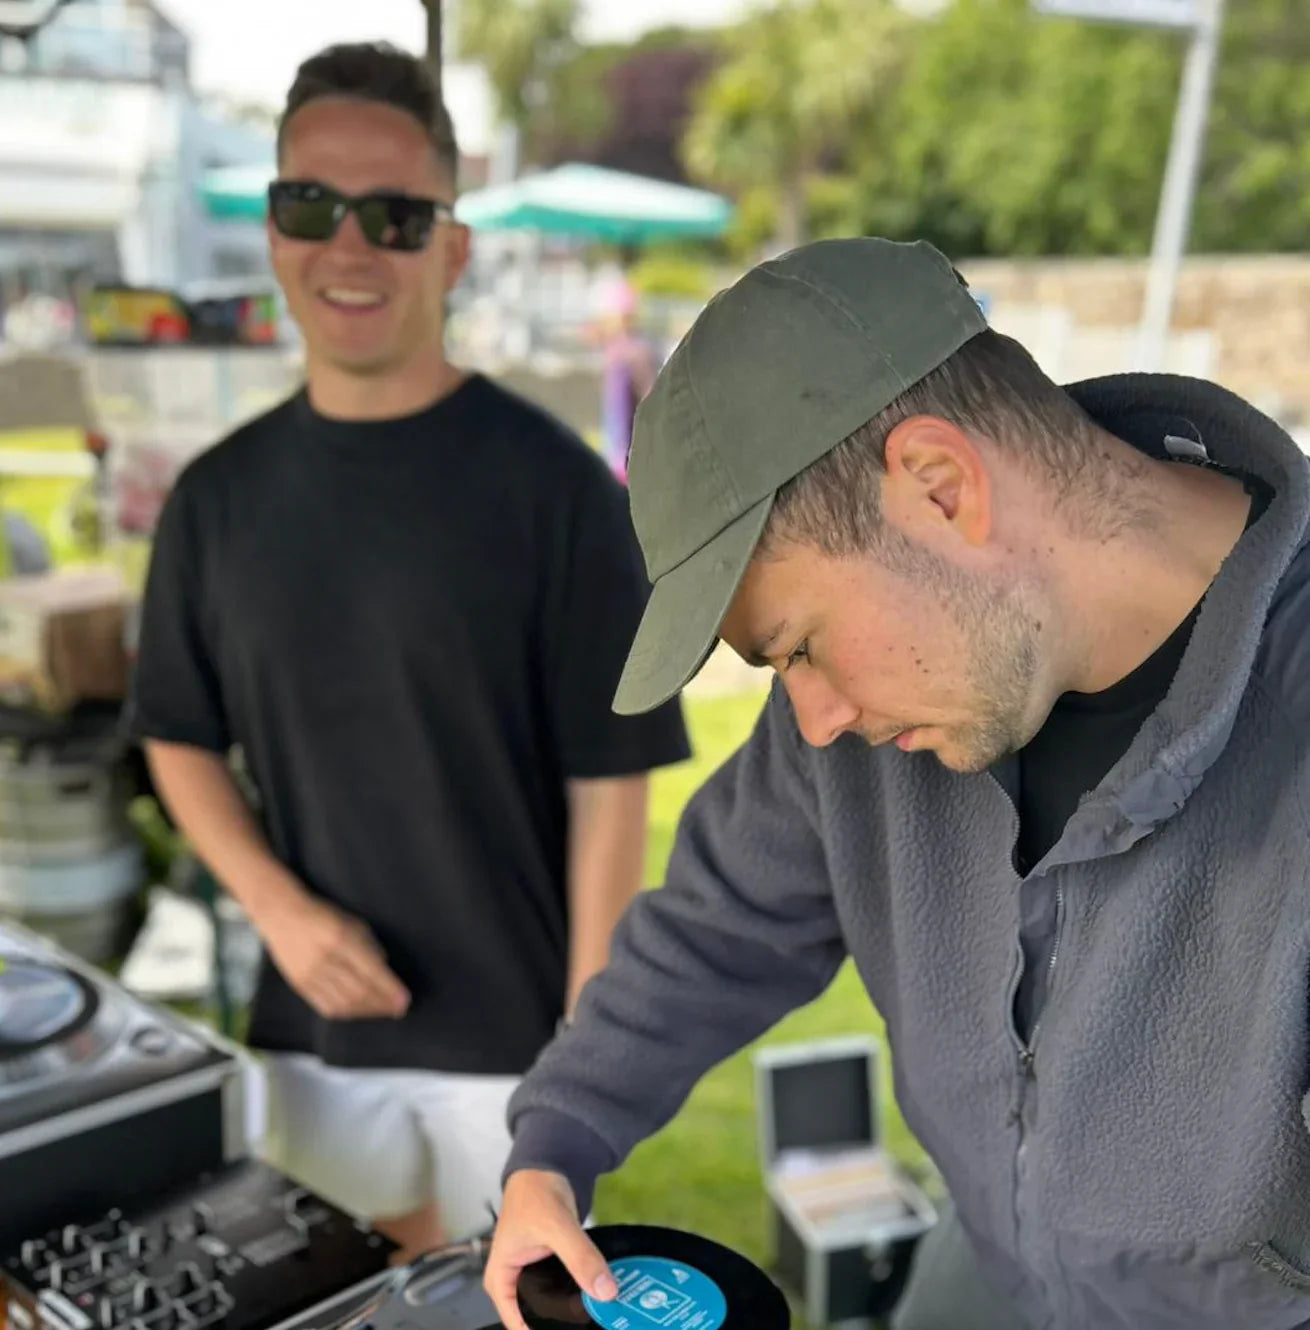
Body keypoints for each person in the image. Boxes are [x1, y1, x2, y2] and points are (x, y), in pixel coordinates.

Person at [482, 237, 1310, 1330]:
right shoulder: (865, 724)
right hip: (988, 1272)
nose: (813, 718)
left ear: (939, 486)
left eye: (798, 646)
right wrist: (557, 1137)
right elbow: (711, 929)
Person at [128, 42, 689, 1260]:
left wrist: (582, 1058)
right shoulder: (216, 501)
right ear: (273, 229)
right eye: (308, 204)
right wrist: (280, 914)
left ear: (451, 247)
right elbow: (176, 736)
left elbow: (612, 790)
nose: (347, 246)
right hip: (307, 1045)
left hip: (519, 1053)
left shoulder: (557, 492)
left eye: (393, 215)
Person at [596, 277, 657, 484]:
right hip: (618, 454)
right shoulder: (619, 351)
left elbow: (650, 400)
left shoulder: (634, 353)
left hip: (626, 457)